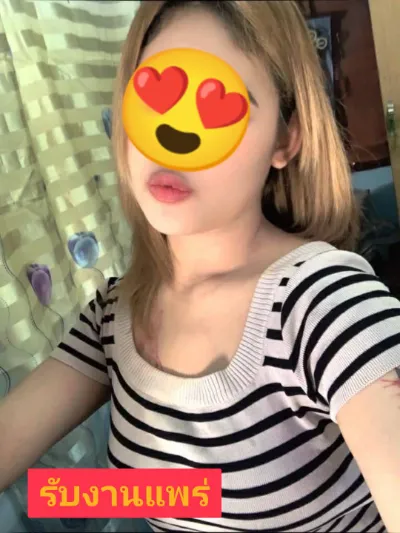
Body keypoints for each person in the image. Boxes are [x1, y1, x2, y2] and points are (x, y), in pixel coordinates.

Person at [1, 1, 399, 531]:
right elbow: (195, 495)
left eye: (217, 106)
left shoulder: (326, 304)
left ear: (284, 139)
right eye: (153, 96)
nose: (172, 140)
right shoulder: (113, 316)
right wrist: (45, 501)